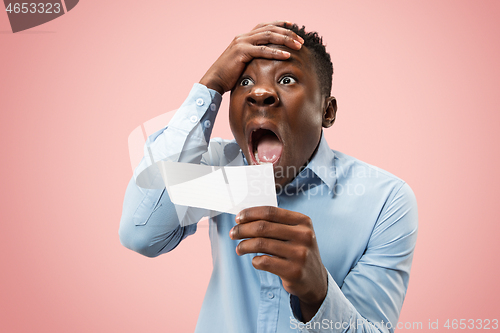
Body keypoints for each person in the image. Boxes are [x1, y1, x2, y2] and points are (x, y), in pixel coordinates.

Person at [119, 21, 418, 333]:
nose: (260, 92)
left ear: (327, 112)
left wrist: (317, 293)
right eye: (245, 83)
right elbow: (140, 233)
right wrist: (211, 85)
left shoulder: (386, 200)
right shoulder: (216, 167)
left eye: (287, 79)